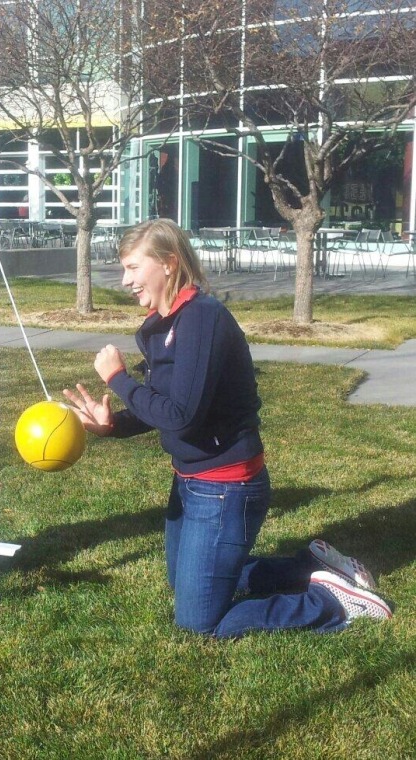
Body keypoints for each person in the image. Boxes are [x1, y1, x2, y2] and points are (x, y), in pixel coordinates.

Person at [64, 219, 392, 638]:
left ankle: (330, 602)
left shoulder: (202, 319)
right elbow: (164, 408)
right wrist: (113, 425)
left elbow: (181, 414)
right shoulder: (165, 325)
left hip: (226, 488)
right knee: (182, 582)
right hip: (190, 480)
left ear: (168, 263)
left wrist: (118, 379)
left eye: (132, 267)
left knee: (200, 622)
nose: (125, 280)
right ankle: (310, 566)